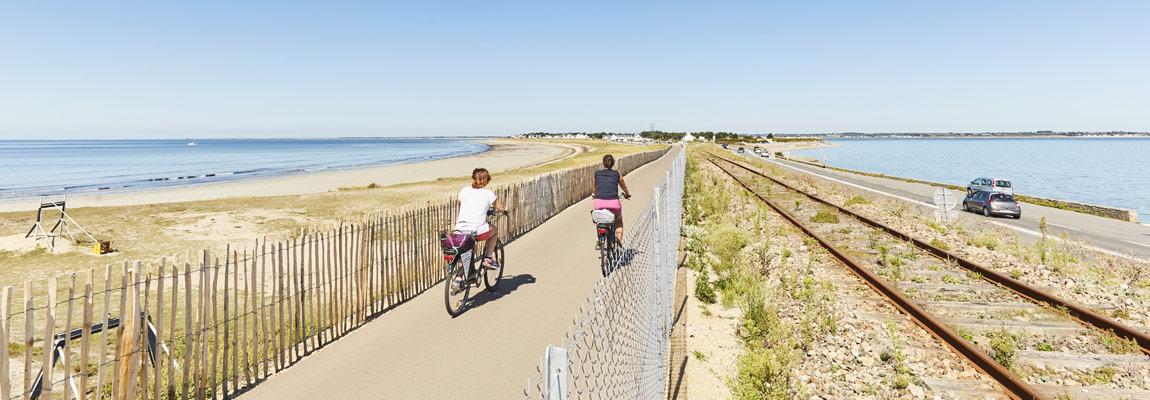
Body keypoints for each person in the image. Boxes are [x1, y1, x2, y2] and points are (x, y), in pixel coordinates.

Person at [455, 167, 506, 269]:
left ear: (473, 178)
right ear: (487, 180)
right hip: (477, 230)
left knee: (469, 246)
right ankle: (488, 259)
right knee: (494, 230)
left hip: (460, 229)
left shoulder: (464, 190)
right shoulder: (488, 193)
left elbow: (460, 204)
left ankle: (459, 277)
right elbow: (500, 207)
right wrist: (504, 209)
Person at [592, 154, 631, 245]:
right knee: (619, 221)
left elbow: (594, 188)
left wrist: (594, 195)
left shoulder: (596, 174)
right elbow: (624, 186)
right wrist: (627, 194)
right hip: (614, 204)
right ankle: (618, 240)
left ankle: (599, 238)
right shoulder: (617, 174)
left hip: (599, 203)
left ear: (603, 163)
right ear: (613, 163)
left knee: (599, 219)